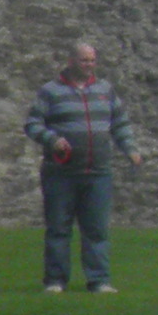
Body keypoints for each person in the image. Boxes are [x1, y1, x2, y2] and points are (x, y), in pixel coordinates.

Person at [27, 39, 137, 296]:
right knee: (58, 229)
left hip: (98, 173)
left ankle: (99, 281)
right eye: (83, 60)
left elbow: (119, 124)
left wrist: (131, 149)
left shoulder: (105, 90)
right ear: (71, 61)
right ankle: (55, 281)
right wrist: (52, 140)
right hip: (60, 174)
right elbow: (32, 124)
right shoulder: (50, 91)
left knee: (97, 230)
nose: (88, 65)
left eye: (92, 60)